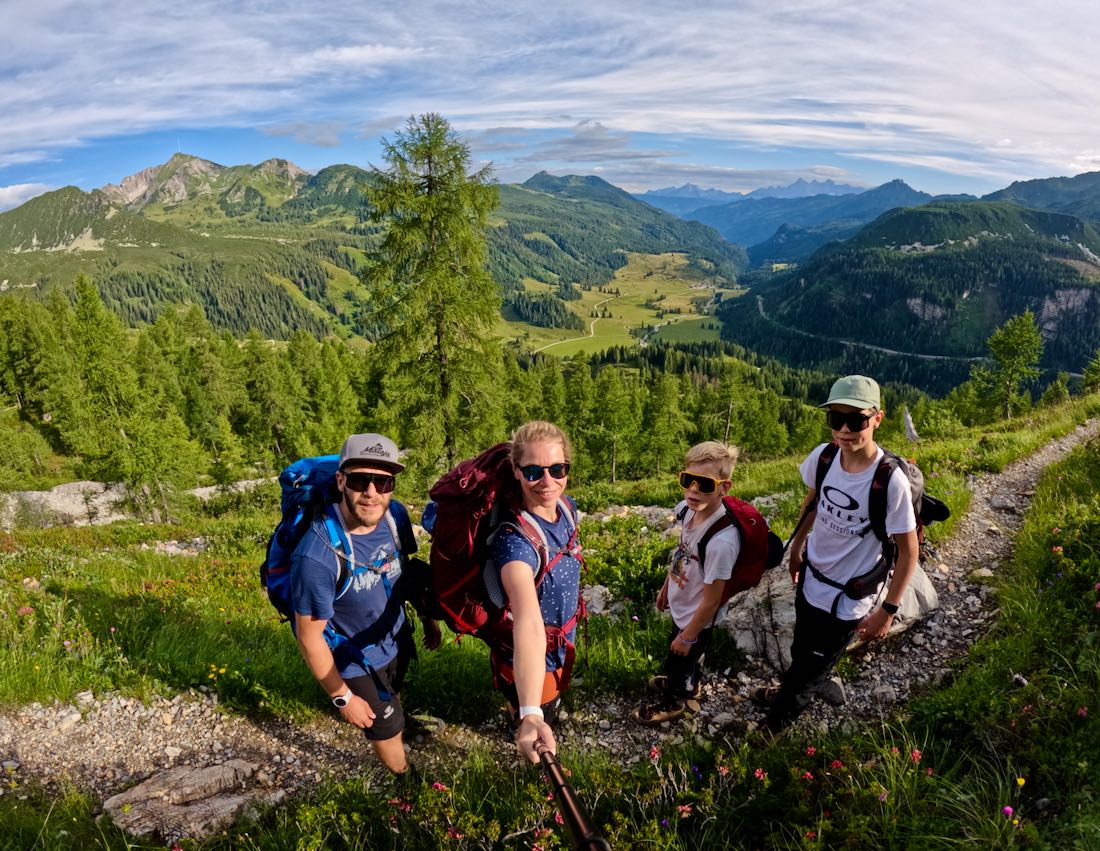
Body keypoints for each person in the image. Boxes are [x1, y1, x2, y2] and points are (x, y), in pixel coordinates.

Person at [760, 375, 917, 733]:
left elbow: (909, 550)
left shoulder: (889, 480)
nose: (845, 429)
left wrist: (888, 611)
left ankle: (775, 728)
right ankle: (792, 688)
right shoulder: (825, 456)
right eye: (836, 419)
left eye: (856, 420)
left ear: (877, 418)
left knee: (814, 664)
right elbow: (812, 504)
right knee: (802, 648)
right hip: (812, 578)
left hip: (850, 599)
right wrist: (796, 550)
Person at [290, 433, 441, 776]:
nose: (372, 492)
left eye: (383, 481)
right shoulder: (318, 554)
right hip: (352, 656)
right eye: (360, 480)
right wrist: (342, 697)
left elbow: (404, 574)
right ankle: (406, 780)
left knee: (394, 693)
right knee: (383, 726)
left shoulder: (395, 517)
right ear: (341, 480)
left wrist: (427, 618)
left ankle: (399, 721)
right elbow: (308, 637)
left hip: (393, 633)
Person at [484, 421, 583, 764]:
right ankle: (523, 722)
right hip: (531, 654)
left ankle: (524, 710)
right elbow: (527, 622)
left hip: (560, 641)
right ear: (516, 471)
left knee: (547, 701)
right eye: (533, 471)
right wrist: (530, 712)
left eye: (558, 469)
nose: (547, 481)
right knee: (541, 715)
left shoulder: (567, 509)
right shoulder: (515, 542)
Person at [633, 441, 742, 725]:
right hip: (684, 603)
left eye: (704, 484)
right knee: (682, 655)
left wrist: (689, 635)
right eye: (687, 480)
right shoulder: (689, 511)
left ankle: (677, 699)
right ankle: (686, 681)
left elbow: (712, 600)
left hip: (698, 617)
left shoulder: (722, 542)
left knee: (680, 653)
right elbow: (682, 554)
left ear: (724, 487)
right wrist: (667, 587)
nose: (693, 490)